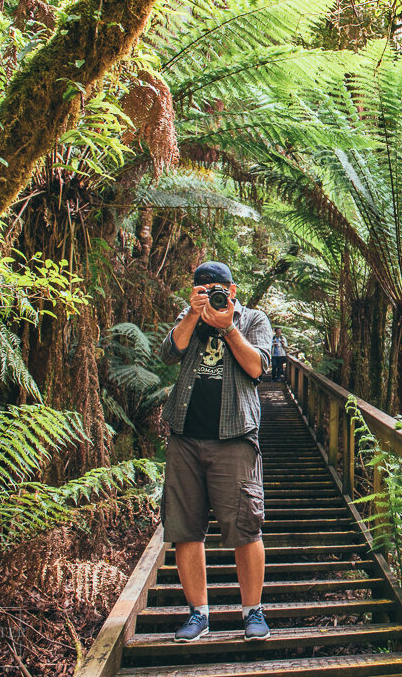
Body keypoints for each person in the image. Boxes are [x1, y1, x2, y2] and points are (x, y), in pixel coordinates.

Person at [158, 261, 273, 643]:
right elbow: (168, 354)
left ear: (233, 289)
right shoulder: (188, 317)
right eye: (204, 289)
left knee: (245, 526)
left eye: (218, 289)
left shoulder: (255, 319)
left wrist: (228, 328)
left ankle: (252, 611)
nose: (213, 295)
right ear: (195, 291)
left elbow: (258, 368)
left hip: (235, 435)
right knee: (186, 528)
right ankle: (198, 614)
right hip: (185, 436)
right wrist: (194, 313)